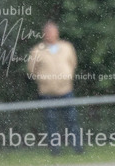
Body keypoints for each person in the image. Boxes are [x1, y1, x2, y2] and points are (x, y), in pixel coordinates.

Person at [27, 20, 83, 154]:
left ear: (57, 33)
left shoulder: (67, 47)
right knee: (51, 122)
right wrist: (44, 80)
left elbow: (73, 64)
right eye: (47, 32)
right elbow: (31, 70)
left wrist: (66, 77)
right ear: (44, 34)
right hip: (47, 92)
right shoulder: (37, 51)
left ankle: (77, 148)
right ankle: (55, 150)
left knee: (72, 120)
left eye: (52, 31)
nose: (50, 34)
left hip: (66, 90)